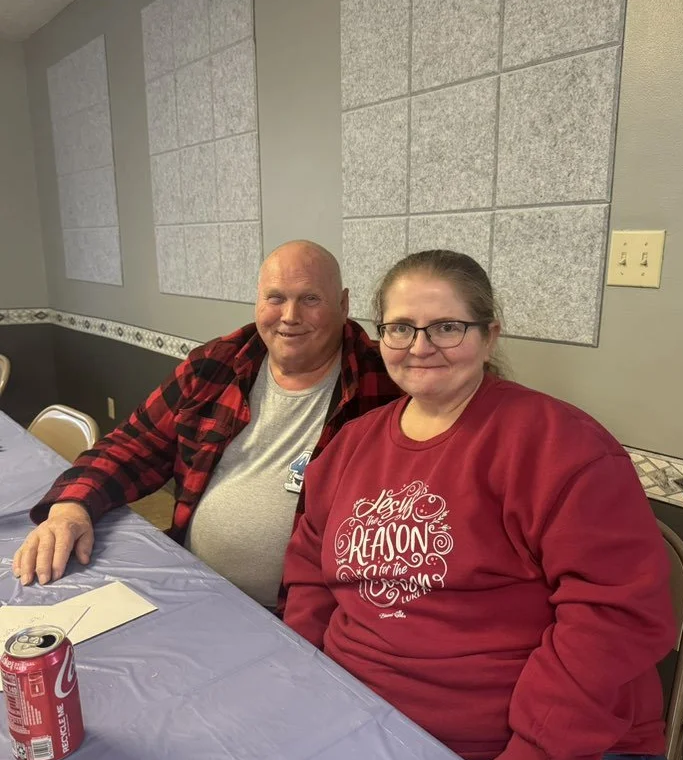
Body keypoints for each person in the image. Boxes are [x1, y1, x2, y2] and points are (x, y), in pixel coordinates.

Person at [282, 249, 676, 760]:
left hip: (558, 749)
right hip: (372, 725)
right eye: (401, 327)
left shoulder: (559, 445)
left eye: (447, 327)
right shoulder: (352, 443)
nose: (420, 345)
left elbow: (616, 617)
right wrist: (312, 687)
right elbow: (309, 573)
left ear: (490, 335)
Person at [13, 240, 401, 607]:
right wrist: (70, 507)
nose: (290, 316)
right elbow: (133, 445)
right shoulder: (215, 367)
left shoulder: (386, 381)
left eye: (310, 299)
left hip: (304, 616)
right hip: (194, 584)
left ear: (344, 303)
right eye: (276, 298)